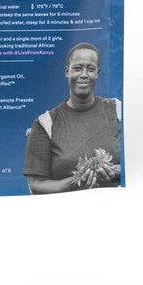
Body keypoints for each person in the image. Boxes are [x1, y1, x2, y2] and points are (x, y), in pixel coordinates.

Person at [23, 42, 121, 194]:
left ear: (97, 73)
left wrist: (116, 171)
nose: (84, 74)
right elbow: (36, 184)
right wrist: (77, 180)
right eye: (77, 68)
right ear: (67, 71)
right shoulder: (45, 124)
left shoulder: (117, 110)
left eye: (90, 69)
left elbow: (139, 164)